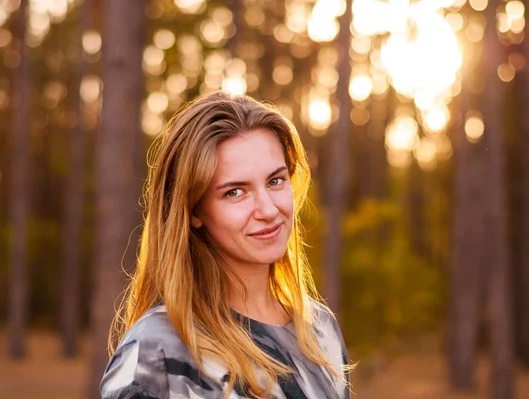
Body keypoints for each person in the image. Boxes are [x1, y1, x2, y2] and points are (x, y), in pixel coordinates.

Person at [100, 92, 352, 399]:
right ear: (193, 211)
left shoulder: (319, 330)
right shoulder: (157, 354)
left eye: (275, 181)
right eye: (235, 192)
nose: (268, 210)